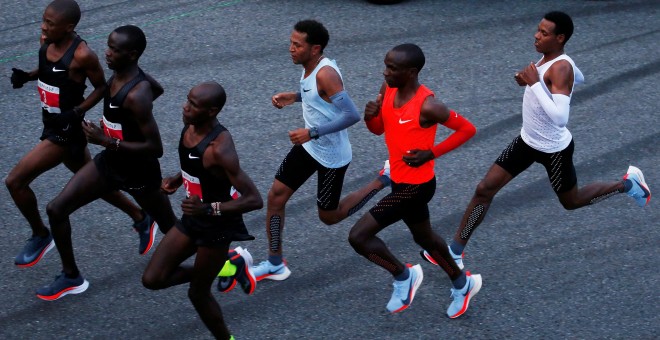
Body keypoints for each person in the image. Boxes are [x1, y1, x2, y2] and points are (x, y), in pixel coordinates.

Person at [427, 11, 651, 272]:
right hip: (527, 141)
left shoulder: (561, 67)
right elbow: (579, 77)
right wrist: (536, 82)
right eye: (538, 29)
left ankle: (627, 184)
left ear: (560, 38)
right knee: (484, 190)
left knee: (572, 201)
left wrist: (533, 84)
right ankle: (455, 251)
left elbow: (560, 117)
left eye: (544, 33)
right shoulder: (555, 60)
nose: (536, 35)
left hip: (554, 150)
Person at [7, 0, 154, 270]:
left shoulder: (83, 54)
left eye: (50, 23)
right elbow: (50, 68)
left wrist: (77, 112)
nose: (43, 26)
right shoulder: (47, 41)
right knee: (90, 182)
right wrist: (27, 76)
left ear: (69, 27)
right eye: (44, 20)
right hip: (51, 123)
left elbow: (101, 87)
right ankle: (140, 215)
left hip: (65, 132)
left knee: (15, 182)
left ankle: (41, 235)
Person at [35, 25, 178, 300]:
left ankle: (227, 261)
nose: (107, 53)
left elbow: (155, 148)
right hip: (109, 164)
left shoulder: (137, 94)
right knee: (56, 209)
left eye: (114, 49)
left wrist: (106, 140)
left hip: (139, 173)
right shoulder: (121, 76)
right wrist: (115, 128)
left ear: (132, 54)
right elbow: (156, 87)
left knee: (173, 228)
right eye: (108, 46)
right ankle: (71, 277)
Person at [247, 19, 389, 281]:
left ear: (315, 49)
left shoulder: (326, 73)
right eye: (291, 42)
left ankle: (383, 180)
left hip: (332, 157)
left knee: (329, 216)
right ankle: (274, 261)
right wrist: (295, 96)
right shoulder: (309, 67)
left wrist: (310, 132)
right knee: (276, 197)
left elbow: (352, 115)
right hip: (310, 146)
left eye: (297, 44)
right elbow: (318, 95)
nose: (290, 48)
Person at [347, 43, 481, 318]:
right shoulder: (388, 90)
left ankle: (403, 276)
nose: (385, 72)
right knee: (424, 238)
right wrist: (369, 116)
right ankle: (462, 283)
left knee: (359, 237)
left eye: (392, 68)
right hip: (399, 180)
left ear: (411, 72)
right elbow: (378, 130)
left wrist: (431, 153)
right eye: (385, 65)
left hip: (417, 188)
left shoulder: (428, 105)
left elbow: (467, 129)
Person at [142, 81, 263, 340]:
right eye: (188, 100)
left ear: (211, 111)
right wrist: (179, 178)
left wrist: (208, 208)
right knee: (153, 279)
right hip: (194, 217)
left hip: (217, 226)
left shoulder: (219, 149)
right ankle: (230, 265)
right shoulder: (190, 126)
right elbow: (195, 165)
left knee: (198, 293)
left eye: (193, 105)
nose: (185, 107)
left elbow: (254, 199)